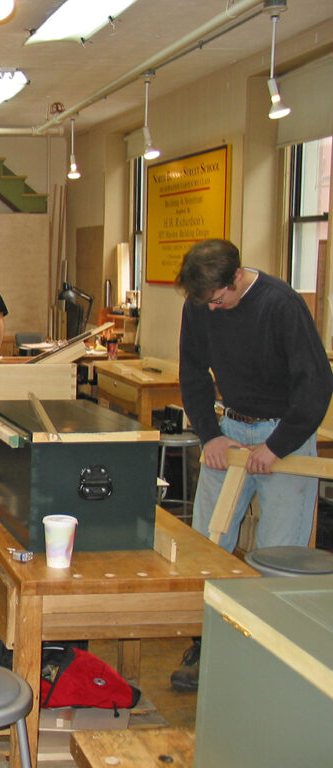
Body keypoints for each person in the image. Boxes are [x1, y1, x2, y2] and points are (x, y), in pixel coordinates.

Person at [169, 238, 333, 692]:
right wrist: (211, 434)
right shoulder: (202, 304)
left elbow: (317, 386)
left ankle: (265, 657)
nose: (214, 310)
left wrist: (278, 446)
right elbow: (192, 372)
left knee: (276, 555)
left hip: (287, 437)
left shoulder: (282, 306)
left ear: (237, 277)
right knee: (207, 546)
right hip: (230, 430)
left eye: (220, 300)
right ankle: (205, 645)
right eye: (207, 303)